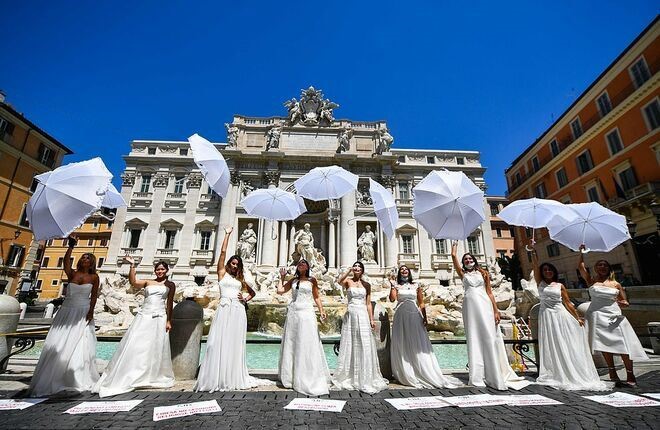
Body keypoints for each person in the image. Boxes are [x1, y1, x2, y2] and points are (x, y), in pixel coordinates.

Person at [196, 227, 272, 392]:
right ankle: (217, 375)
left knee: (234, 343)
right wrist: (228, 234)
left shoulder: (241, 279)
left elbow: (253, 292)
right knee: (217, 342)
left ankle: (231, 375)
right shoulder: (222, 273)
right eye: (233, 263)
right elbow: (222, 252)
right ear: (229, 263)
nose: (235, 266)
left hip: (237, 310)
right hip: (224, 309)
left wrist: (244, 299)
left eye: (237, 265)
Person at [530, 242, 609, 391]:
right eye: (545, 270)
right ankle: (555, 371)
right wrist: (533, 252)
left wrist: (577, 317)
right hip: (547, 316)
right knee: (551, 343)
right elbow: (535, 266)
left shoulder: (560, 286)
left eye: (550, 270)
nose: (547, 271)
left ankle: (569, 370)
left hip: (560, 315)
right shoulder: (539, 282)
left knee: (564, 342)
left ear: (554, 272)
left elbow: (568, 304)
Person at [28, 235, 100, 397]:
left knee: (80, 342)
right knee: (59, 341)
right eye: (83, 257)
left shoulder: (94, 277)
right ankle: (55, 374)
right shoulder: (72, 274)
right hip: (67, 310)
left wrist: (90, 311)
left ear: (92, 262)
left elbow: (94, 296)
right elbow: (65, 263)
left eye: (87, 258)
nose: (84, 259)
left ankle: (75, 376)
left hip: (82, 310)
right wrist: (71, 247)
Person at [94, 257, 175, 397]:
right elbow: (133, 282)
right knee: (137, 343)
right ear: (155, 271)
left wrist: (169, 320)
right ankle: (131, 370)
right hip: (145, 315)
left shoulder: (170, 285)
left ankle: (150, 373)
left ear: (167, 270)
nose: (160, 271)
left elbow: (169, 303)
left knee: (155, 345)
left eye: (162, 269)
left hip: (159, 316)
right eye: (158, 269)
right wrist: (132, 265)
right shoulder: (148, 282)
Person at [451, 242, 522, 390]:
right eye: (466, 260)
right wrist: (454, 247)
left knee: (489, 336)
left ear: (475, 261)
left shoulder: (484, 274)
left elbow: (489, 292)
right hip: (470, 307)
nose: (468, 261)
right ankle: (477, 375)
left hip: (484, 304)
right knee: (473, 336)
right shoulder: (463, 274)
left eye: (470, 259)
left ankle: (493, 372)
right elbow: (453, 257)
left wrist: (496, 311)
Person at [579, 246, 648, 387]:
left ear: (609, 269)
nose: (602, 267)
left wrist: (622, 302)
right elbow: (581, 268)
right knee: (603, 344)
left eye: (605, 265)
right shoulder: (591, 281)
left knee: (624, 345)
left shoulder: (616, 284)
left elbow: (625, 302)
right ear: (596, 268)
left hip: (613, 315)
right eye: (599, 265)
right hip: (596, 315)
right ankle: (612, 372)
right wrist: (581, 253)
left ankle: (630, 373)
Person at [389, 265, 460, 389]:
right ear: (400, 274)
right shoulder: (396, 285)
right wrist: (392, 285)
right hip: (400, 314)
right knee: (402, 342)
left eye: (406, 270)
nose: (404, 271)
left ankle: (421, 371)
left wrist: (425, 317)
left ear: (409, 273)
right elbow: (392, 299)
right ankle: (406, 372)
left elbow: (421, 303)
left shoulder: (416, 285)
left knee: (417, 343)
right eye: (402, 270)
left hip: (414, 314)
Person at [332, 262, 388, 393]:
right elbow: (339, 281)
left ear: (362, 270)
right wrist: (348, 271)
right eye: (355, 266)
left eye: (359, 267)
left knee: (364, 343)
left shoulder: (367, 285)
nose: (357, 268)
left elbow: (368, 303)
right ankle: (350, 375)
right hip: (351, 313)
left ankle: (365, 376)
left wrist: (371, 319)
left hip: (362, 313)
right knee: (350, 343)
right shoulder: (348, 282)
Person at [277, 259, 331, 396]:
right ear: (297, 267)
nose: (301, 264)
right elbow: (280, 291)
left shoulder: (312, 280)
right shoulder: (293, 281)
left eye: (304, 263)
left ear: (307, 267)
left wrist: (322, 310)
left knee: (307, 341)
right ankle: (291, 377)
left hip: (307, 312)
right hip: (294, 312)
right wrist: (282, 278)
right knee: (292, 342)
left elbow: (316, 297)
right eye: (299, 263)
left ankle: (308, 374)